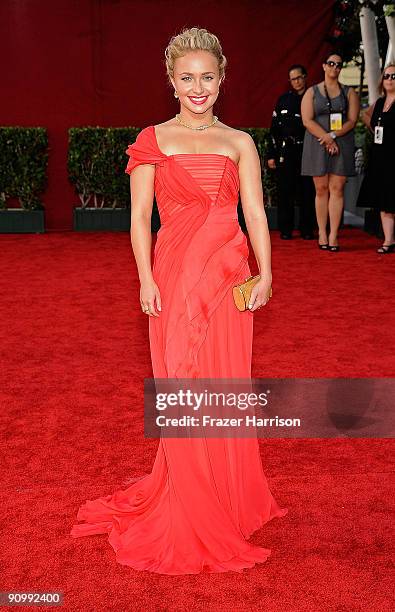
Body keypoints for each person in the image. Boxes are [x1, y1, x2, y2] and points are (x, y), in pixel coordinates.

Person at [70, 27, 288, 575]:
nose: (198, 88)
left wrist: (265, 272)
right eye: (187, 78)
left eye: (207, 78)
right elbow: (140, 218)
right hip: (173, 276)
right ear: (171, 81)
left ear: (222, 80)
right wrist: (144, 279)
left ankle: (226, 494)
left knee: (225, 383)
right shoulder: (152, 139)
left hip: (226, 276)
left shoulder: (240, 141)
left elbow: (255, 214)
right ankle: (189, 499)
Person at [301, 51, 360, 251]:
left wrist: (333, 136)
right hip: (317, 142)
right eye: (331, 63)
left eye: (338, 64)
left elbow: (352, 120)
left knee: (337, 189)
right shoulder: (311, 92)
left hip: (341, 142)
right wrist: (326, 138)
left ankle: (334, 234)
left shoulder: (349, 92)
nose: (335, 67)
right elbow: (307, 120)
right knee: (321, 189)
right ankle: (322, 232)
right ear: (324, 66)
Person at [267, 64, 316, 240]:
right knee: (285, 191)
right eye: (293, 79)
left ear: (305, 77)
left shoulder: (313, 97)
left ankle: (307, 229)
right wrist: (271, 154)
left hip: (308, 150)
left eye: (299, 77)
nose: (296, 82)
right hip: (286, 151)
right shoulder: (283, 100)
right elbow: (274, 129)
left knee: (307, 191)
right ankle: (285, 229)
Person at [357, 64, 395, 253]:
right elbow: (365, 115)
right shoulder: (380, 103)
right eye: (386, 76)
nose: (389, 79)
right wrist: (374, 129)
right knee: (384, 198)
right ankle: (388, 241)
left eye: (393, 76)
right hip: (380, 156)